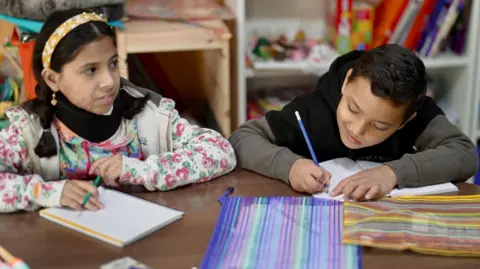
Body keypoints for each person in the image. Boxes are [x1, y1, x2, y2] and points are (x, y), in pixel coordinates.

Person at [0, 9, 236, 213]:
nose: (109, 81)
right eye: (91, 70)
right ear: (53, 79)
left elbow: (220, 151)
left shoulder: (148, 114)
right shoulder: (28, 131)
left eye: (113, 64)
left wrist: (143, 170)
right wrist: (47, 192)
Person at [230, 44, 478, 200]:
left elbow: (465, 154)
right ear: (347, 81)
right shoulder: (311, 109)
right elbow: (242, 139)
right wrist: (290, 166)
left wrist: (392, 172)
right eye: (352, 108)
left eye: (380, 126)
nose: (357, 130)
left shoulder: (417, 113)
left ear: (406, 121)